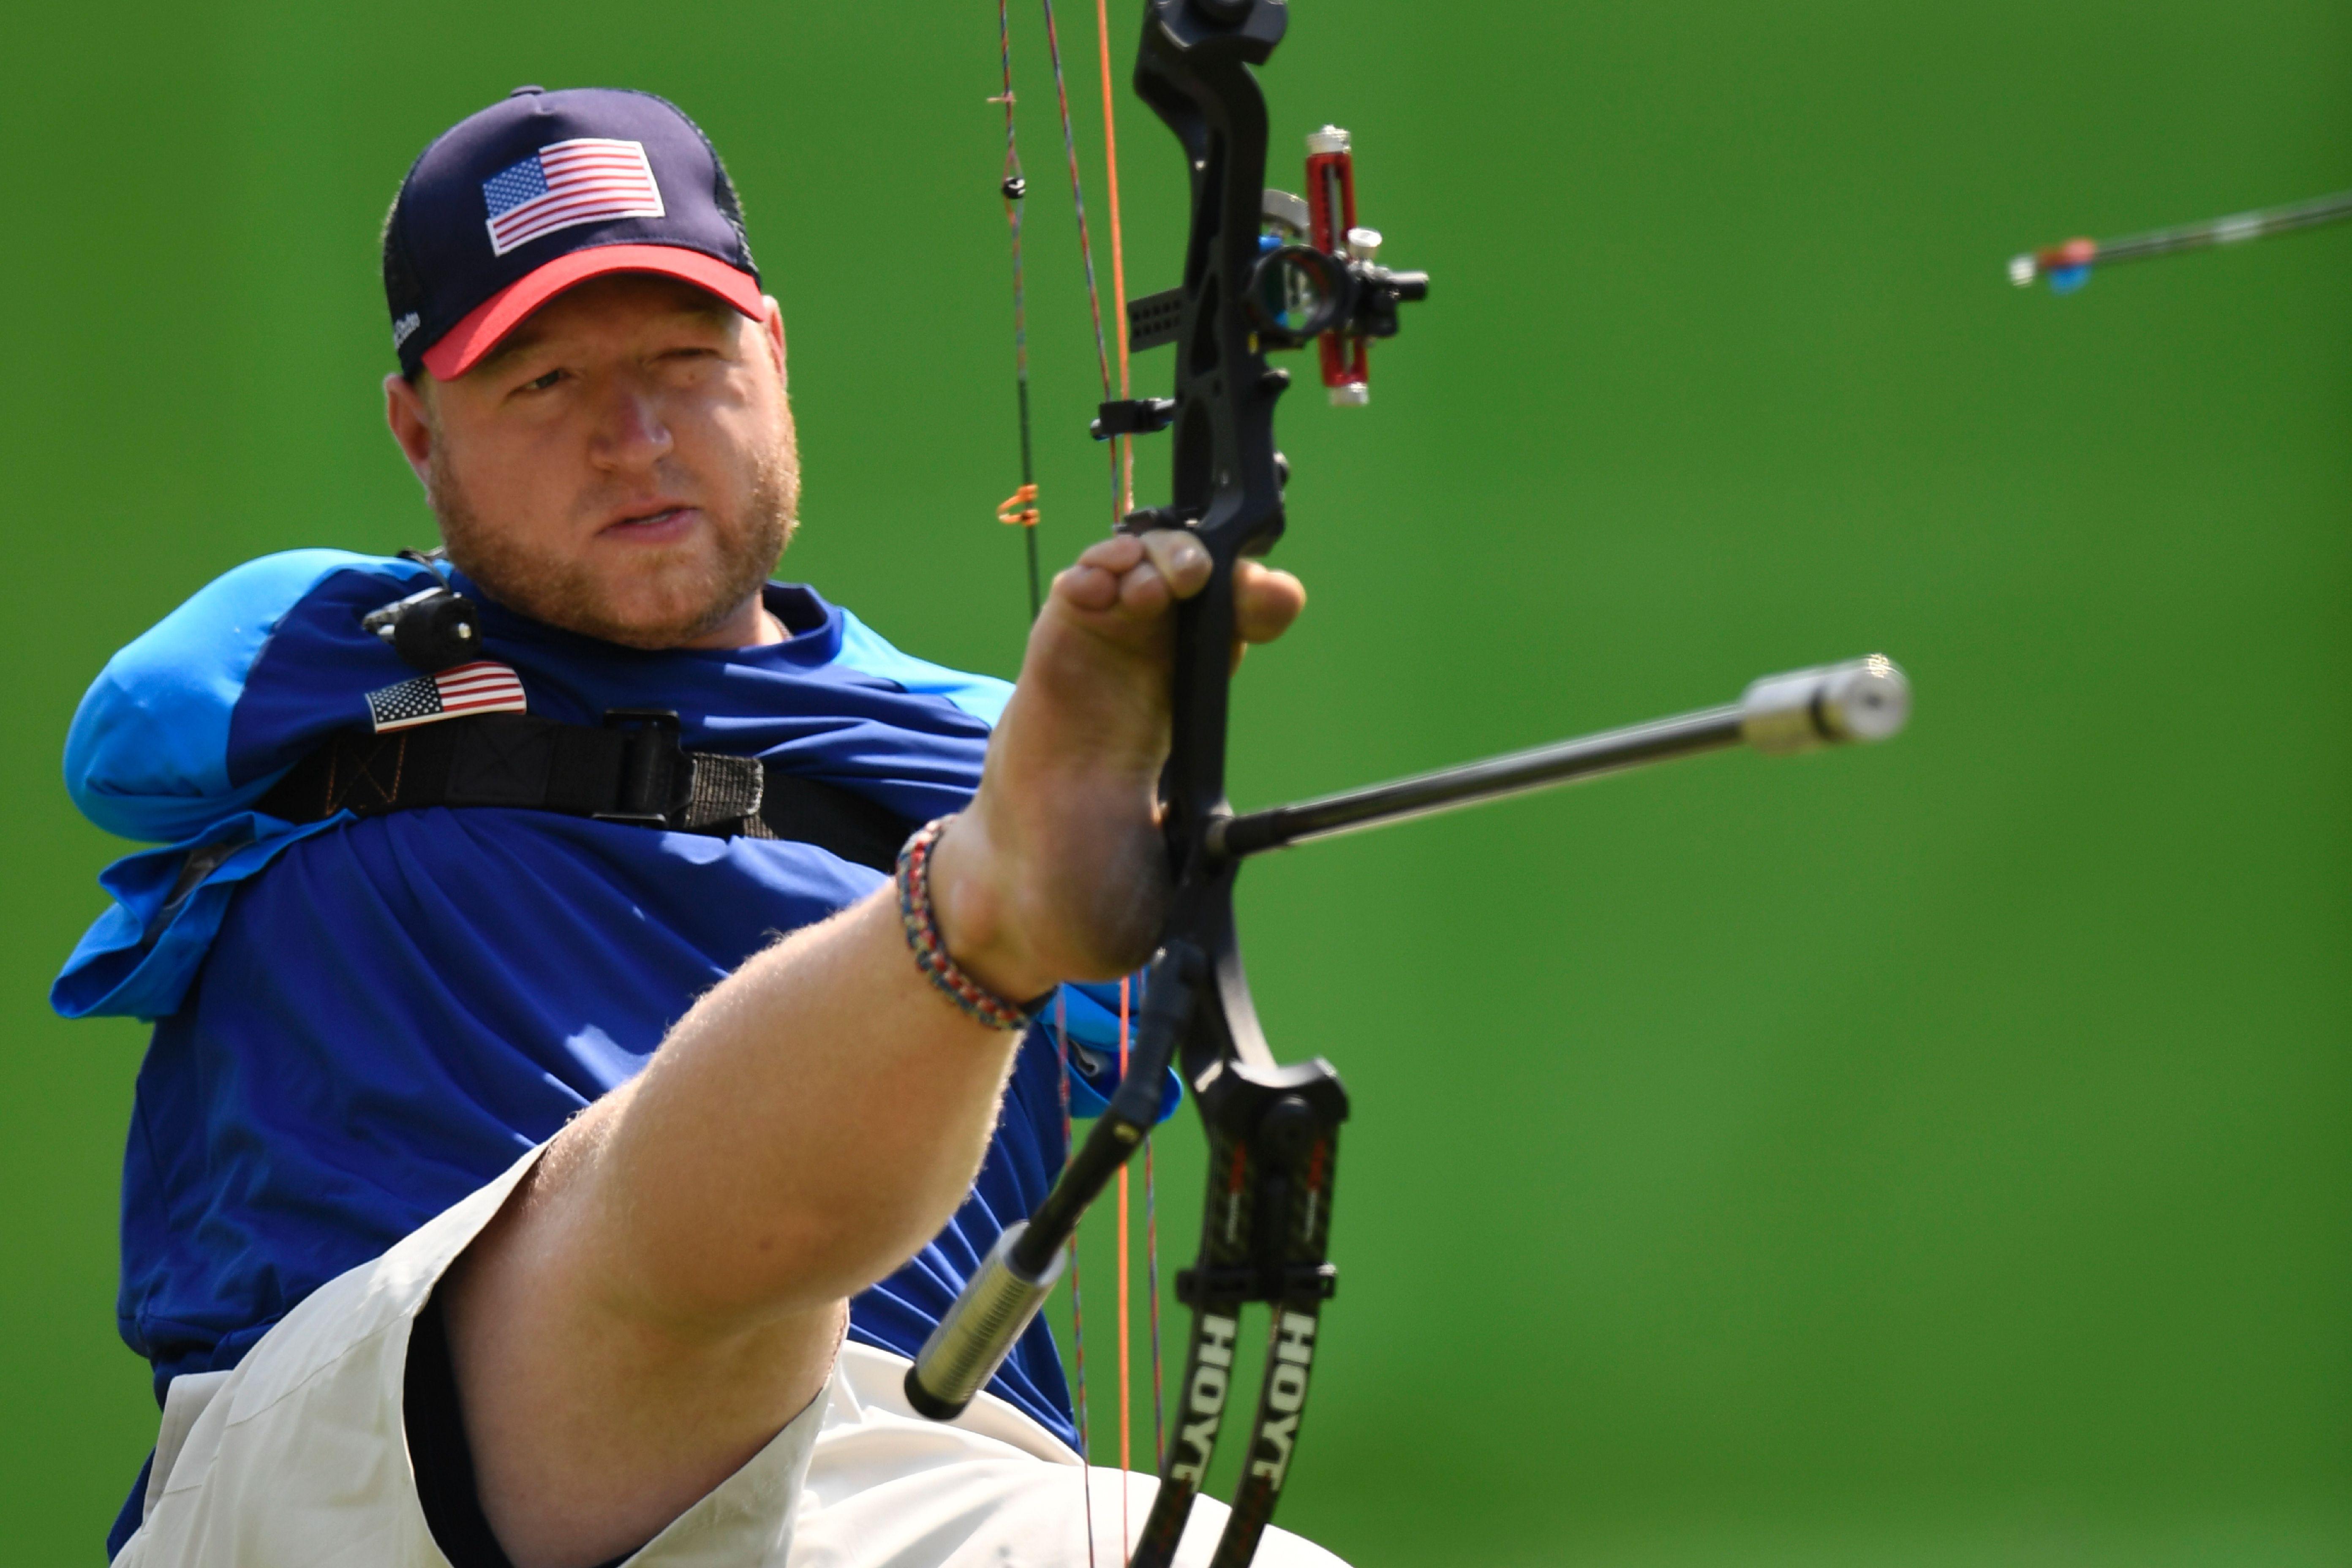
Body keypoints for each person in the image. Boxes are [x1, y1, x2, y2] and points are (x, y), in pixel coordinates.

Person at [59, 86, 1339, 1568]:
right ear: (417, 427)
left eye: (688, 356)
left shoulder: (1003, 744)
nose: (636, 435)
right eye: (542, 382)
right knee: (669, 1275)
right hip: (359, 1450)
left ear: (774, 357)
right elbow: (134, 729)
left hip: (884, 1478)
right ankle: (966, 918)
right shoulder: (318, 657)